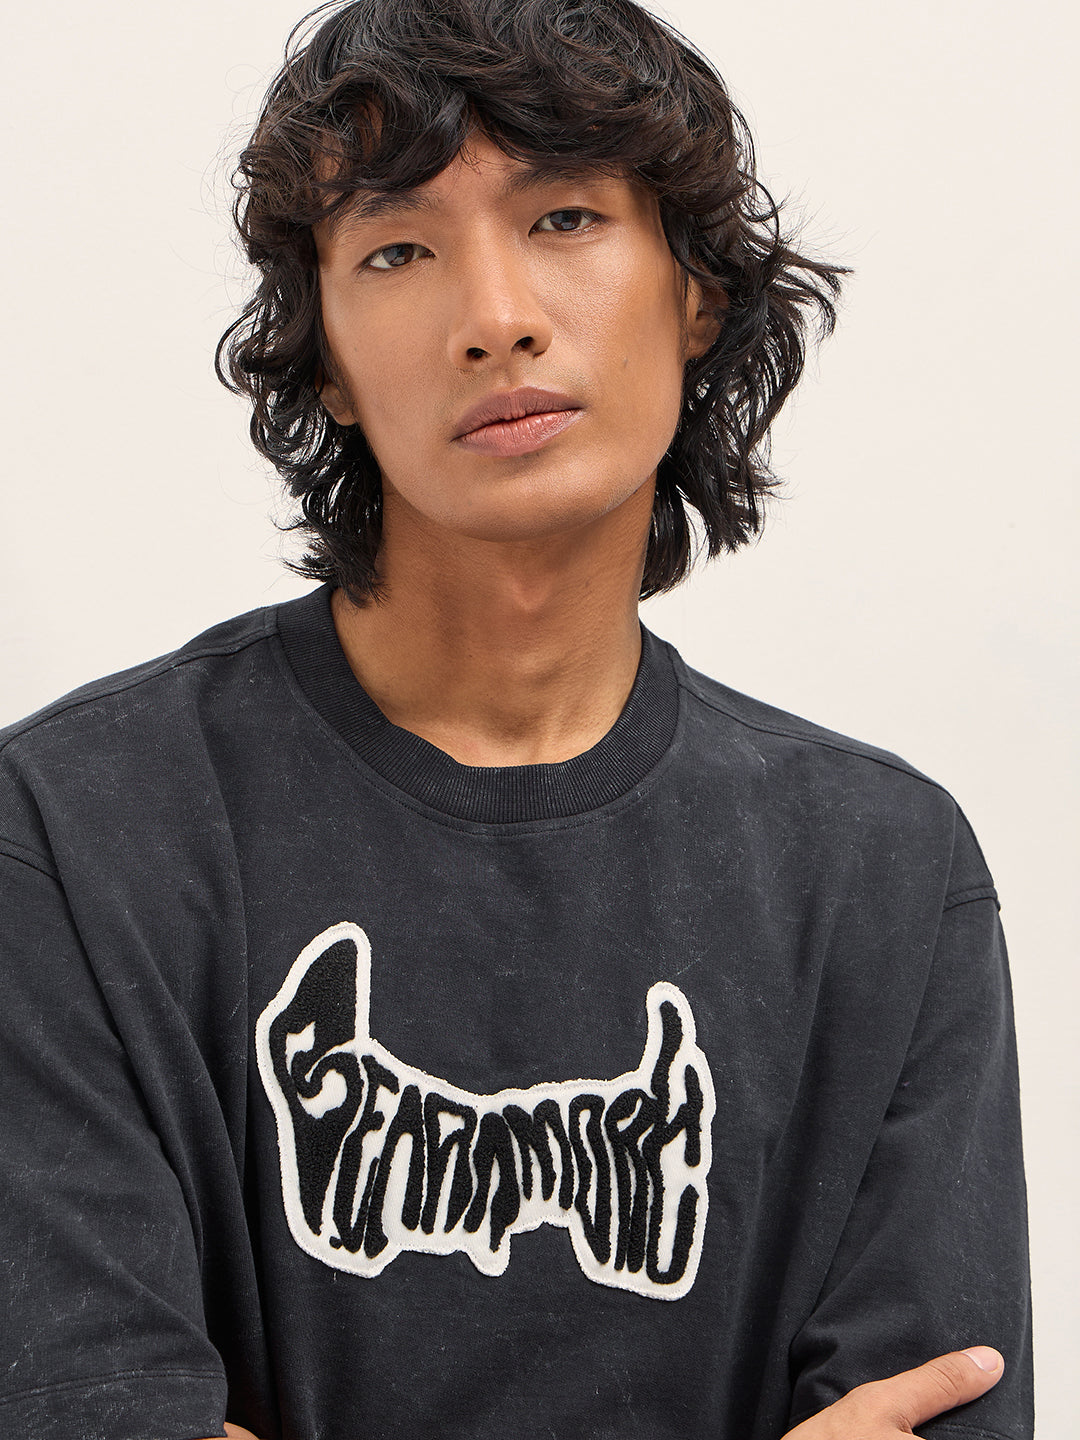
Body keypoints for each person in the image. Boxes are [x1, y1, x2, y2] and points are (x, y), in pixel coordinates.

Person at [0, 0, 1032, 1437]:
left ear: (695, 292)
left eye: (563, 219)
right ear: (328, 361)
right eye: (397, 251)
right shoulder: (70, 833)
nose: (497, 319)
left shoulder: (888, 872)